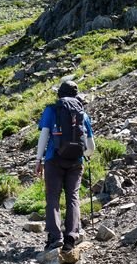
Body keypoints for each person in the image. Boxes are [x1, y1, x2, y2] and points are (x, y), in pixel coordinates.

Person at [35, 79, 95, 252]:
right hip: (76, 161)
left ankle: (55, 238)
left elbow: (44, 136)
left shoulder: (52, 110)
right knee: (73, 197)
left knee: (52, 197)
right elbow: (91, 148)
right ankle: (71, 237)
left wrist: (39, 160)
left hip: (54, 159)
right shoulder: (82, 114)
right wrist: (81, 154)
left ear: (59, 94)